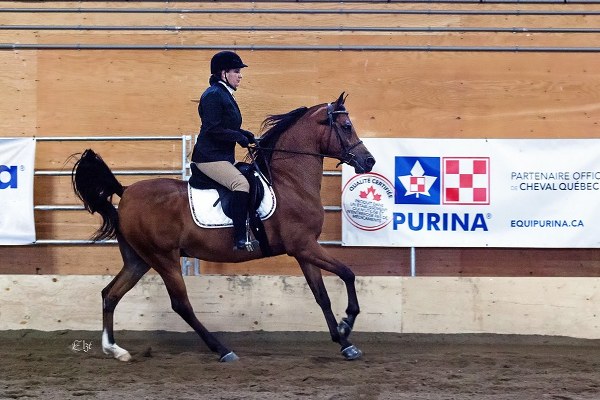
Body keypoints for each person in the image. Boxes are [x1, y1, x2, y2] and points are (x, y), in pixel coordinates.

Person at [191, 51, 256, 250]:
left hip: (223, 156)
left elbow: (226, 125)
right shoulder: (213, 95)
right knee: (241, 184)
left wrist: (245, 134)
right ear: (223, 73)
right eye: (236, 71)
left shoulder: (224, 94)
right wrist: (238, 137)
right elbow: (213, 129)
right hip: (209, 158)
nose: (240, 76)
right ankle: (240, 238)